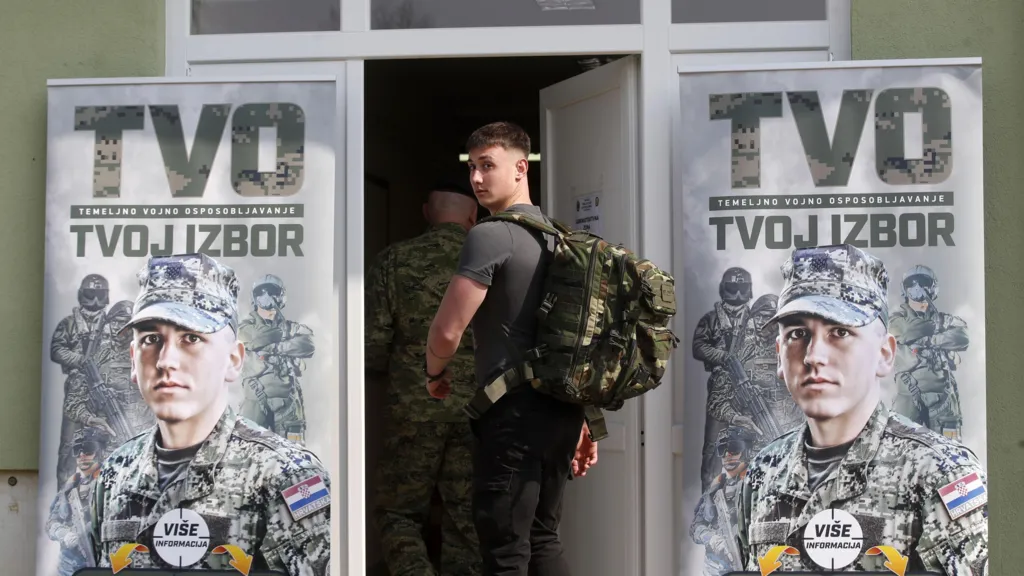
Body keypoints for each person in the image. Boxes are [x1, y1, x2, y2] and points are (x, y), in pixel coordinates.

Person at [736, 244, 988, 575]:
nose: (813, 356)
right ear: (779, 355)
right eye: (798, 334)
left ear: (885, 354)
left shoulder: (941, 473)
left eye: (840, 332)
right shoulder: (763, 473)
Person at [425, 121, 598, 576]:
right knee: (543, 539)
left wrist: (433, 372)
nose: (476, 178)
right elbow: (570, 338)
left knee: (505, 550)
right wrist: (582, 417)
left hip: (513, 415)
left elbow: (447, 331)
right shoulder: (562, 240)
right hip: (561, 412)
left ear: (521, 168)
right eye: (472, 167)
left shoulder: (489, 235)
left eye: (488, 165)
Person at [89, 253, 331, 575]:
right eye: (151, 339)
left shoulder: (286, 476)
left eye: (191, 338)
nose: (166, 360)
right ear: (133, 360)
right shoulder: (114, 474)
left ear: (233, 360)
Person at [365, 182, 483, 576]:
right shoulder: (489, 262)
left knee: (398, 512)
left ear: (427, 213)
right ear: (473, 217)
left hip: (413, 407)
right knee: (466, 515)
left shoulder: (394, 260)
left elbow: (373, 341)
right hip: (477, 409)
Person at [47, 427, 111, 576]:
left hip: (103, 564)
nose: (82, 455)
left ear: (99, 452)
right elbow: (51, 522)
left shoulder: (111, 483)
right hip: (68, 568)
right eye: (77, 450)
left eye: (88, 449)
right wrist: (63, 534)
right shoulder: (68, 487)